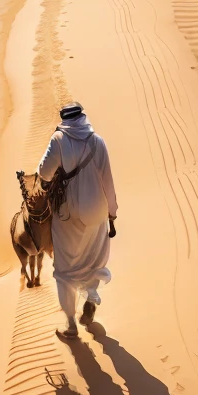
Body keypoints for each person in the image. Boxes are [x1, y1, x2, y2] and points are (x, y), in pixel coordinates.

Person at [39, 102, 117, 339]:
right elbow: (108, 181)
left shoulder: (59, 140)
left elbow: (44, 172)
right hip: (97, 212)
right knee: (93, 259)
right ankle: (91, 296)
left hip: (69, 214)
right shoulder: (98, 141)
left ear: (63, 119)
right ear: (82, 117)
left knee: (65, 268)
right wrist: (112, 211)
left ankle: (71, 325)